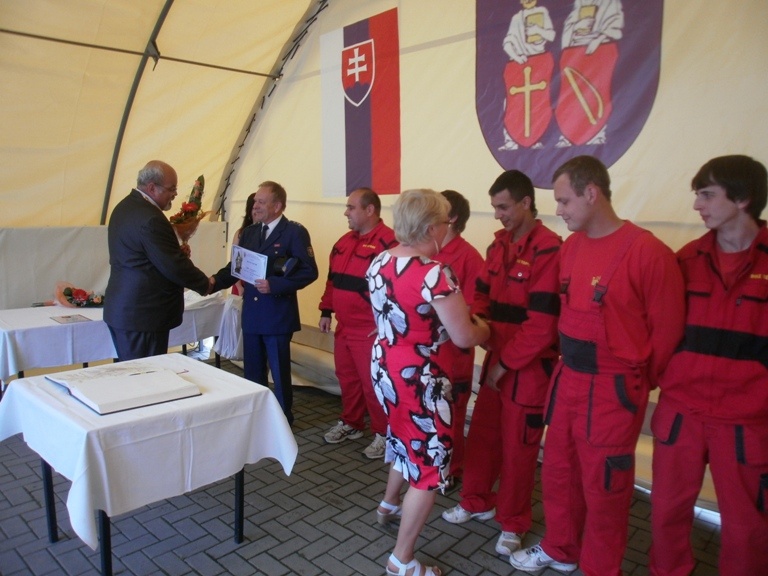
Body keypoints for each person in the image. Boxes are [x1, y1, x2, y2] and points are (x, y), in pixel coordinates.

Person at [510, 156, 686, 575]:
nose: (558, 210)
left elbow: (667, 336)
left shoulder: (648, 254)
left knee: (605, 487)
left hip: (612, 390)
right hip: (568, 378)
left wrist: (631, 384)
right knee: (558, 471)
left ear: (592, 193)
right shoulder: (570, 248)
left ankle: (599, 567)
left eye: (564, 201)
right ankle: (561, 548)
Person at [649, 156, 768, 576]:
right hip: (682, 411)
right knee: (666, 512)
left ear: (743, 198)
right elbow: (659, 330)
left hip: (747, 421)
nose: (697, 205)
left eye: (706, 195)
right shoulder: (686, 261)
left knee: (747, 527)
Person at [367, 189, 490, 576]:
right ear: (432, 227)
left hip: (385, 365)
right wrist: (486, 328)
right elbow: (464, 336)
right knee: (430, 465)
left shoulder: (380, 260)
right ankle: (401, 559)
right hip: (420, 375)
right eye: (444, 221)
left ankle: (389, 503)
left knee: (403, 437)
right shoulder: (434, 272)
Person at [441, 171, 561, 559]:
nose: (497, 215)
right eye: (494, 207)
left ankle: (513, 522)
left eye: (503, 207)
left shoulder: (549, 249)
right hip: (498, 360)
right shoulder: (497, 247)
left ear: (526, 202)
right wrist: (478, 328)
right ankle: (476, 500)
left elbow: (542, 326)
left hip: (528, 370)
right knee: (483, 437)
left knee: (518, 450)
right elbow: (480, 296)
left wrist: (503, 364)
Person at [211, 181, 318, 424]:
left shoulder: (294, 232)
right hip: (253, 314)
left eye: (261, 202)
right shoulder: (250, 233)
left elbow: (309, 271)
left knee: (279, 373)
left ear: (277, 206)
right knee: (253, 371)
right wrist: (212, 282)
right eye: (255, 201)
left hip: (278, 314)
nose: (255, 206)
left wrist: (275, 285)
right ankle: (256, 418)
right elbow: (236, 268)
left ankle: (282, 420)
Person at [104, 160, 212, 361]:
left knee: (132, 371)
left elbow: (147, 256)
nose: (175, 194)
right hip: (144, 315)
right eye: (171, 189)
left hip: (125, 310)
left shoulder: (124, 207)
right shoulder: (151, 218)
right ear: (152, 187)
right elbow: (173, 265)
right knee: (146, 374)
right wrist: (206, 284)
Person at [319, 188, 397, 458]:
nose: (346, 213)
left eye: (351, 207)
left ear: (369, 210)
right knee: (347, 378)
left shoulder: (390, 243)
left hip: (369, 331)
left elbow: (398, 287)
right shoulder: (342, 243)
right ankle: (352, 423)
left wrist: (387, 321)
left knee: (373, 384)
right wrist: (326, 310)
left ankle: (384, 433)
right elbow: (332, 280)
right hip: (344, 327)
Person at [434, 190, 484, 485]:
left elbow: (477, 309)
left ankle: (452, 470)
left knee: (452, 410)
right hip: (430, 351)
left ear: (451, 218)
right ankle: (434, 464)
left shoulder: (469, 257)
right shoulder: (427, 251)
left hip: (454, 353)